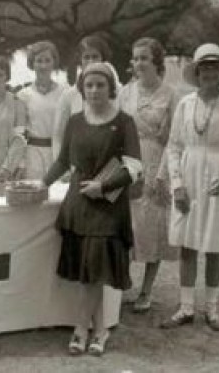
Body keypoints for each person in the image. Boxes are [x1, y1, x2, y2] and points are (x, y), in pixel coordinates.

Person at [43, 62, 142, 356]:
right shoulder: (74, 121)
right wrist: (41, 184)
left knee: (94, 268)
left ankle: (80, 329)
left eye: (100, 85)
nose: (95, 90)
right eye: (89, 85)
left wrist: (104, 187)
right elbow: (62, 162)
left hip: (108, 207)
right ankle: (99, 330)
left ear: (111, 88)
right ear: (82, 90)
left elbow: (135, 167)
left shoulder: (124, 122)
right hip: (78, 203)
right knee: (90, 272)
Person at [160, 43, 219, 331]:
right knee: (187, 245)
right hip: (188, 176)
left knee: (215, 246)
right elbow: (174, 147)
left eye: (214, 67)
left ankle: (211, 309)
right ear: (197, 72)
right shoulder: (186, 105)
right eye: (204, 67)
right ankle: (186, 307)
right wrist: (177, 184)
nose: (209, 72)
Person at [117, 37, 178, 313]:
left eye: (144, 58)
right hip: (127, 163)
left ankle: (147, 289)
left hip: (157, 163)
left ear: (156, 62)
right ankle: (120, 284)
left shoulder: (170, 95)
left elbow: (174, 141)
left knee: (153, 228)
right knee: (125, 228)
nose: (138, 63)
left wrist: (163, 176)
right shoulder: (125, 92)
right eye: (135, 58)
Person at [52, 35, 121, 160]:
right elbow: (58, 135)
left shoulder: (118, 92)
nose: (91, 61)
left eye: (95, 57)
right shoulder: (69, 95)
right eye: (86, 57)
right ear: (80, 60)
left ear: (103, 59)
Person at [17, 41, 66, 179]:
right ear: (32, 63)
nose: (43, 66)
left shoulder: (65, 92)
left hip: (58, 155)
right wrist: (21, 162)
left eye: (47, 60)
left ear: (54, 62)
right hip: (33, 155)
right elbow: (20, 133)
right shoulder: (23, 95)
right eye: (39, 61)